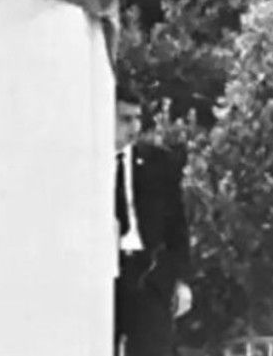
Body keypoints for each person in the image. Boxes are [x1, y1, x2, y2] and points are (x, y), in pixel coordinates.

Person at [114, 87, 191, 356]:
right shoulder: (87, 164)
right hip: (103, 275)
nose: (134, 127)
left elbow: (177, 227)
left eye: (138, 118)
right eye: (125, 119)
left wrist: (179, 280)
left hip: (147, 273)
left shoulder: (158, 162)